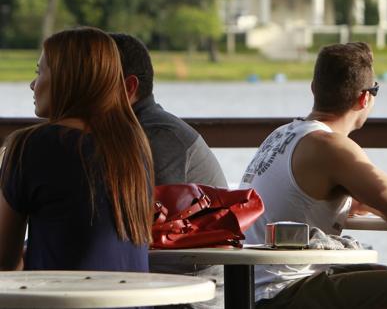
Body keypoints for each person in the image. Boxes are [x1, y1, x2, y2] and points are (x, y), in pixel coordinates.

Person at [240, 42, 387, 309]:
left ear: (314, 88)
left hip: (249, 287)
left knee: (381, 272)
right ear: (365, 98)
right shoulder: (331, 146)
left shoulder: (284, 134)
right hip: (279, 293)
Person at [0, 26, 153, 274]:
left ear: (66, 79)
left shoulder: (30, 145)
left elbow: (4, 261)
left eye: (39, 72)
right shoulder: (134, 145)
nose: (32, 84)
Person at [110, 33, 227, 188]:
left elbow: (151, 210)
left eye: (97, 79)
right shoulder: (145, 126)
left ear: (129, 87)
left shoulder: (159, 135)